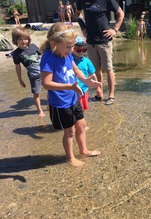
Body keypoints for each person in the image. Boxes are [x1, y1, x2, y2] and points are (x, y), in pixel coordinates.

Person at [40, 22, 102, 167]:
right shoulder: (48, 58)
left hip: (73, 98)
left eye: (72, 46)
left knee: (81, 125)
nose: (71, 50)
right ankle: (70, 157)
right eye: (68, 47)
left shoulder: (67, 55)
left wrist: (87, 81)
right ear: (54, 43)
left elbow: (75, 70)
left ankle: (84, 150)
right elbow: (46, 83)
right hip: (60, 103)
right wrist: (70, 86)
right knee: (70, 132)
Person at [76, 0, 124, 105]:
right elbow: (78, 12)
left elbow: (120, 13)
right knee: (96, 70)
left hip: (104, 41)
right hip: (90, 42)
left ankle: (111, 95)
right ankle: (99, 94)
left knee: (108, 69)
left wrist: (115, 30)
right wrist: (83, 27)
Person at [11, 27, 45, 117]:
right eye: (20, 39)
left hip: (44, 73)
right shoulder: (16, 54)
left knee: (50, 89)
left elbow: (44, 58)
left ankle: (49, 106)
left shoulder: (33, 46)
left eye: (25, 39)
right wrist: (20, 80)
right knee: (36, 93)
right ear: (15, 40)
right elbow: (17, 67)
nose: (24, 41)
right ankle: (39, 110)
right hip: (34, 76)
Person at [72, 36, 98, 111]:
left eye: (84, 50)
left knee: (82, 108)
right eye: (78, 50)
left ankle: (79, 120)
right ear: (72, 49)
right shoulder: (68, 60)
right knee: (75, 108)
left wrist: (97, 88)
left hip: (84, 88)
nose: (81, 52)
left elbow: (93, 74)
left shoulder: (87, 61)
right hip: (73, 89)